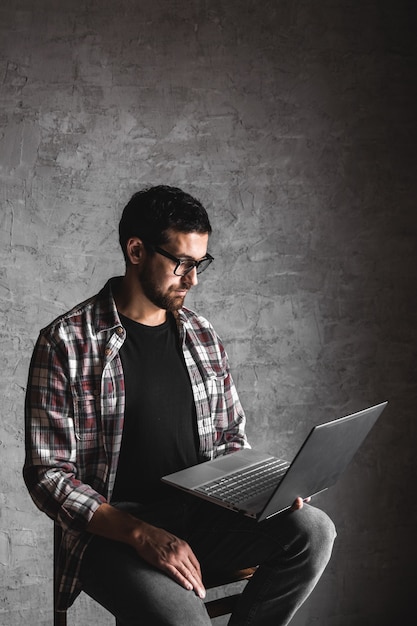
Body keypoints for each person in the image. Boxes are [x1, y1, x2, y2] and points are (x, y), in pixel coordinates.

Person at [24, 185, 336, 625]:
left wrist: (269, 489)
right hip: (115, 533)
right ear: (136, 250)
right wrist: (140, 533)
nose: (192, 279)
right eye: (182, 264)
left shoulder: (202, 335)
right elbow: (47, 475)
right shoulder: (66, 342)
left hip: (202, 519)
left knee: (314, 530)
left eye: (200, 263)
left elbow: (230, 439)